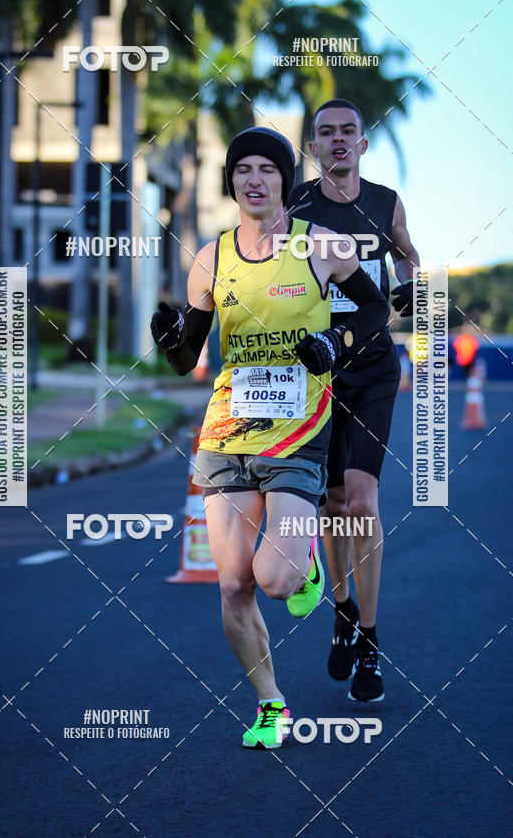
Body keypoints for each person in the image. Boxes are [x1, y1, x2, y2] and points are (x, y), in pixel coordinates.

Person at [150, 126, 389, 747]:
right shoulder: (211, 257)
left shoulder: (321, 245)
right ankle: (272, 705)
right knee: (232, 584)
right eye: (243, 170)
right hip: (227, 432)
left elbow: (373, 311)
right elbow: (186, 358)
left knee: (275, 580)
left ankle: (305, 564)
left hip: (300, 429)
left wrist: (334, 343)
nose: (254, 180)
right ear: (231, 181)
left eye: (267, 170)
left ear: (285, 180)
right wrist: (168, 336)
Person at [287, 99, 421, 703]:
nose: (337, 141)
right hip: (316, 373)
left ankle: (369, 638)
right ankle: (341, 611)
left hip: (370, 369)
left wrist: (412, 283)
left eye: (348, 132)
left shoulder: (386, 201)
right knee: (332, 501)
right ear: (311, 148)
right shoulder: (296, 207)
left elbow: (406, 252)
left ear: (362, 144)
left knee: (362, 500)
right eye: (325, 134)